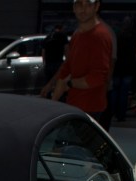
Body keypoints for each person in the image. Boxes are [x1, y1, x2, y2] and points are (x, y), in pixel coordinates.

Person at [46, 0, 113, 131]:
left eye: (88, 4)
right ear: (74, 8)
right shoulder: (77, 35)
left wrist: (70, 84)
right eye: (79, 5)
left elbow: (98, 77)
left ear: (96, 6)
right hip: (75, 106)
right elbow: (66, 69)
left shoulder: (101, 36)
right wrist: (52, 102)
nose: (83, 9)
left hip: (90, 109)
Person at [111, 17, 136, 122]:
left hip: (117, 67)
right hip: (129, 67)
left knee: (114, 91)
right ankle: (121, 115)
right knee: (124, 92)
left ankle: (111, 113)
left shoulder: (116, 36)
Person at [41, 24, 68, 90]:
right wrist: (67, 60)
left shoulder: (48, 37)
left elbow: (43, 52)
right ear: (61, 29)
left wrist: (44, 62)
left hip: (48, 63)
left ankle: (47, 96)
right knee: (58, 83)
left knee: (48, 82)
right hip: (58, 62)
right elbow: (66, 49)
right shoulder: (62, 36)